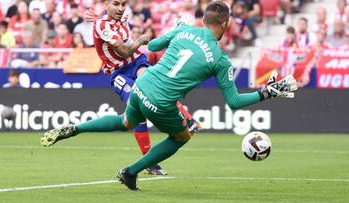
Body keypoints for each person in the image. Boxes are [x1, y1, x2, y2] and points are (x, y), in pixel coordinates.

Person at [41, 1, 297, 190]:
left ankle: (75, 129)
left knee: (125, 122)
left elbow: (151, 46)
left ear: (204, 18)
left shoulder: (184, 30)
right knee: (182, 135)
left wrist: (175, 31)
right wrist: (268, 92)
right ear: (225, 25)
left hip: (142, 85)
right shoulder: (220, 59)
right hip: (161, 101)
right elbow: (234, 102)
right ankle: (131, 172)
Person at [42, 0, 199, 176]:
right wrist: (140, 39)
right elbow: (123, 50)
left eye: (123, 4)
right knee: (135, 115)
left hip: (137, 62)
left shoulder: (118, 16)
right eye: (116, 4)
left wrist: (98, 18)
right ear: (106, 3)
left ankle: (188, 120)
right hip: (118, 72)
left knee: (157, 87)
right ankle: (148, 160)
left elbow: (110, 24)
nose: (121, 8)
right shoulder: (102, 24)